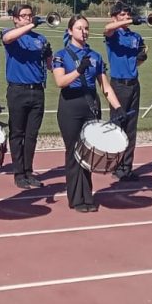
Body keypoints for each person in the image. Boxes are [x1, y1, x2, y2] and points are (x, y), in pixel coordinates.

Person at [51, 15, 122, 213]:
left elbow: (104, 85)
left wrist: (117, 107)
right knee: (74, 152)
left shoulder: (95, 56)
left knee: (89, 152)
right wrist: (78, 71)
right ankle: (76, 198)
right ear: (70, 31)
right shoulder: (61, 55)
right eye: (79, 28)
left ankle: (87, 194)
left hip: (90, 104)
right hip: (70, 104)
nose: (84, 31)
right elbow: (60, 82)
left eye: (86, 28)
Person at [1, 3, 52, 190]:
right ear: (15, 19)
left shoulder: (40, 39)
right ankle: (18, 172)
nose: (28, 18)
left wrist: (49, 56)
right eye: (23, 15)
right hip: (17, 90)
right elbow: (7, 38)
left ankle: (28, 171)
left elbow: (50, 67)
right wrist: (30, 26)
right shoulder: (10, 34)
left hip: (37, 90)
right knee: (17, 133)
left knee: (32, 135)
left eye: (30, 15)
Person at [102, 2, 145, 181]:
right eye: (122, 15)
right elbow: (107, 29)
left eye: (128, 14)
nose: (126, 17)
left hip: (133, 83)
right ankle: (115, 165)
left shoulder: (135, 36)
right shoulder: (114, 35)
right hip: (118, 85)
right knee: (117, 125)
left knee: (131, 127)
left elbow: (140, 56)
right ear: (115, 17)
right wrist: (126, 22)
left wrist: (140, 59)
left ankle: (127, 166)